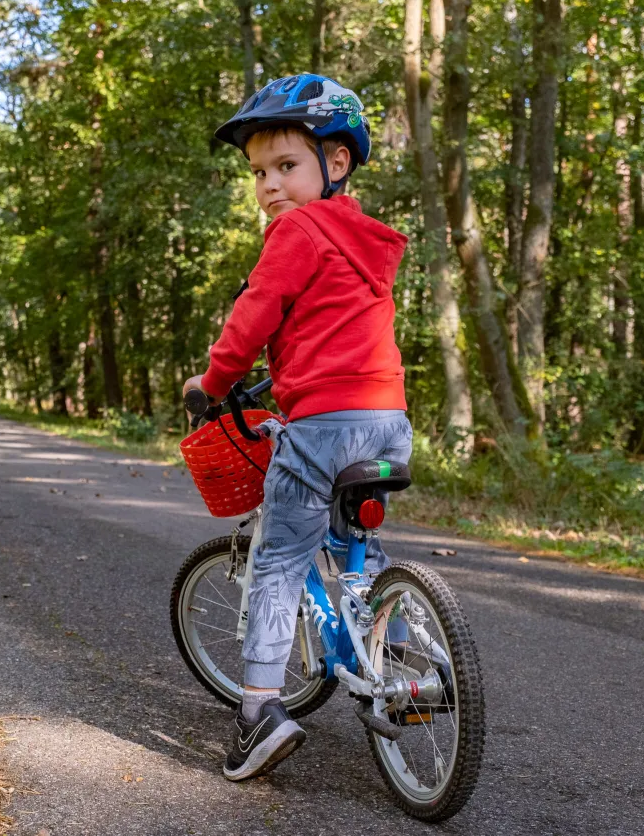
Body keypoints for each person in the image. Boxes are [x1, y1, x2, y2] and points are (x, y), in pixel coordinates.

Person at [182, 74, 412, 782]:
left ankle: (258, 714)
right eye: (258, 173)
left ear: (334, 162)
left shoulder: (297, 230)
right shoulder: (363, 239)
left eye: (286, 166)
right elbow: (327, 328)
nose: (270, 187)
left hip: (322, 426)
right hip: (388, 422)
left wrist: (213, 383)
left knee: (279, 560)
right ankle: (401, 675)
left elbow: (257, 311)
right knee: (356, 551)